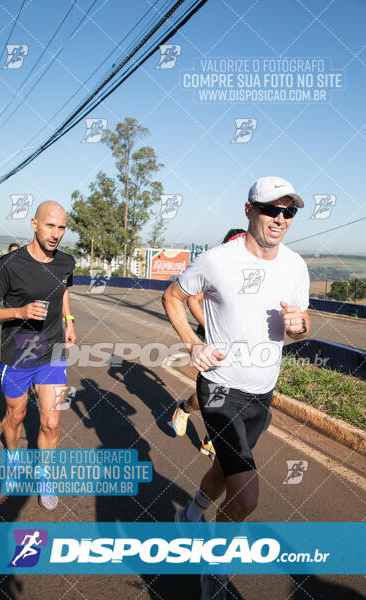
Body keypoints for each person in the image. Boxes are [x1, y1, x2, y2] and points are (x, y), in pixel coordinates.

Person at [162, 176, 310, 599]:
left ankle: (190, 517)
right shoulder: (216, 260)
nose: (280, 219)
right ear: (249, 211)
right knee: (246, 497)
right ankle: (215, 568)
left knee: (224, 469)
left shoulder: (296, 266)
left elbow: (300, 326)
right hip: (220, 389)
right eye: (271, 209)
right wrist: (192, 345)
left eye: (289, 211)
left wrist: (300, 328)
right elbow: (172, 296)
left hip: (262, 395)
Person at [0, 201, 76, 511]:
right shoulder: (10, 264)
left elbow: (62, 289)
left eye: (61, 228)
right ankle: (12, 460)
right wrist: (19, 311)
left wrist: (69, 320)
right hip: (17, 355)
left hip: (53, 352)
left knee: (51, 422)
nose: (56, 233)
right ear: (34, 224)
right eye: (50, 225)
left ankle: (45, 475)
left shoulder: (66, 262)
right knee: (16, 415)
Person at [172, 229, 246, 460]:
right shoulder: (217, 269)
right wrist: (209, 326)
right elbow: (192, 300)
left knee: (234, 394)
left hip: (239, 344)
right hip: (212, 341)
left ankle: (211, 439)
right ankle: (186, 409)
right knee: (217, 393)